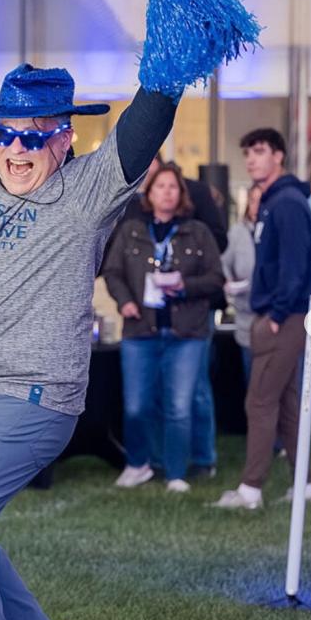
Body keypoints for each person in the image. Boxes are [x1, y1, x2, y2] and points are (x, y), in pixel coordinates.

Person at [0, 0, 256, 620]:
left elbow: (143, 125)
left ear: (64, 139)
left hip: (31, 398)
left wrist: (166, 71)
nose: (16, 148)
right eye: (7, 131)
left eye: (35, 136)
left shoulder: (88, 190)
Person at [214, 128, 311, 510]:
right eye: (247, 153)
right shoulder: (275, 201)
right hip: (280, 315)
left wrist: (276, 313)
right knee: (287, 405)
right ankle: (305, 485)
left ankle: (250, 490)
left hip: (284, 317)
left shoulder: (287, 202)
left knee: (259, 402)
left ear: (278, 155)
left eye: (259, 151)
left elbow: (295, 265)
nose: (251, 159)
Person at [102, 163, 224, 492]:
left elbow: (216, 278)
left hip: (187, 333)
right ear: (149, 193)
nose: (167, 192)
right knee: (137, 405)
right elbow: (112, 272)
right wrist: (125, 301)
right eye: (160, 186)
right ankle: (139, 464)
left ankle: (175, 473)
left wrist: (185, 286)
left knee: (179, 407)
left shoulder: (198, 232)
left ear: (181, 194)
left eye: (173, 187)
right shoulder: (131, 231)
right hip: (140, 330)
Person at [221, 183, 261, 384]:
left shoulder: (281, 229)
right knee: (252, 379)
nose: (257, 206)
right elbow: (223, 262)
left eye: (262, 201)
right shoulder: (237, 232)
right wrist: (228, 280)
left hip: (275, 316)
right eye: (253, 201)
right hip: (246, 313)